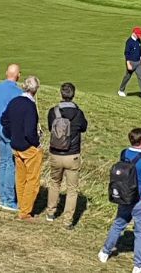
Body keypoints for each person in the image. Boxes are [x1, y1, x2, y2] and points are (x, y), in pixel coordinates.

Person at [98, 128, 141, 273]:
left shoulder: (124, 153)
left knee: (118, 225)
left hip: (125, 197)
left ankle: (105, 252)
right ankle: (138, 265)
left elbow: (134, 161)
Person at [46, 82, 88, 229]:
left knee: (54, 182)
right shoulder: (79, 113)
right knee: (72, 189)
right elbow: (84, 127)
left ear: (61, 94)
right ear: (73, 95)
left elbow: (50, 127)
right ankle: (67, 220)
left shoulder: (53, 111)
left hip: (56, 154)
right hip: (73, 155)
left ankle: (50, 212)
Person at [2, 75, 43, 221]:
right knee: (32, 179)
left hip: (16, 144)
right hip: (28, 146)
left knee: (21, 178)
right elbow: (29, 131)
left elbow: (4, 119)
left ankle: (22, 205)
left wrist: (13, 133)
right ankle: (25, 211)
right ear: (35, 89)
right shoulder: (30, 106)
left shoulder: (15, 101)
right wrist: (36, 143)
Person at [0, 64, 22, 212]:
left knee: (3, 161)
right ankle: (8, 199)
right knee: (9, 163)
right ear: (18, 75)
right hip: (9, 128)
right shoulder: (17, 92)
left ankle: (2, 195)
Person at [118, 27, 141, 100]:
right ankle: (121, 90)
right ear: (134, 33)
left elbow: (140, 51)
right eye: (138, 34)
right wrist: (128, 63)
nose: (139, 36)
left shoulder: (138, 40)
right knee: (127, 77)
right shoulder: (129, 42)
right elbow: (126, 53)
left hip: (138, 62)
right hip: (131, 62)